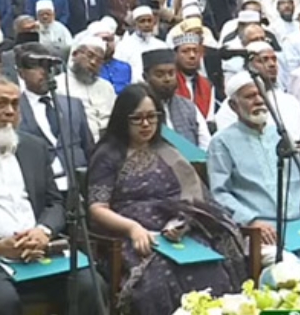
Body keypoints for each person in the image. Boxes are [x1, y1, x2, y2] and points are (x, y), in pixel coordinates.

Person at [0, 76, 104, 315]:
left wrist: (43, 231)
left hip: (40, 246)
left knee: (92, 287)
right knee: (2, 302)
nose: (9, 111)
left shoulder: (34, 147)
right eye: (0, 103)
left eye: (15, 104)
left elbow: (55, 202)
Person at [88, 83, 246, 314]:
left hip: (177, 232)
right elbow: (97, 208)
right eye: (137, 118)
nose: (146, 124)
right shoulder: (108, 154)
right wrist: (133, 229)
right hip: (134, 237)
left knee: (210, 268)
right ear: (123, 119)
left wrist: (181, 222)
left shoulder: (167, 150)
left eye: (151, 117)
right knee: (157, 281)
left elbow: (193, 195)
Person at [208, 72, 300, 275]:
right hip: (261, 234)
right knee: (288, 271)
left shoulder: (281, 135)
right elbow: (219, 194)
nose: (259, 100)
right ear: (234, 106)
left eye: (262, 94)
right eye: (250, 96)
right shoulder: (222, 142)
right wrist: (251, 221)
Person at [16, 43, 93, 191]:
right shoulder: (15, 109)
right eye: (36, 67)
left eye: (47, 66)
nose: (43, 72)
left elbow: (88, 147)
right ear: (21, 73)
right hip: (41, 187)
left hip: (77, 184)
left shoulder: (73, 104)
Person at [214, 41, 300, 140]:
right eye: (263, 60)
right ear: (248, 66)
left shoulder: (290, 101)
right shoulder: (234, 105)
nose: (272, 64)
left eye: (274, 59)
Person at [142, 48, 211, 149]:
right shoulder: (139, 108)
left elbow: (206, 144)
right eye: (160, 75)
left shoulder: (189, 107)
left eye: (171, 73)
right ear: (145, 77)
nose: (167, 79)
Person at [57, 36, 116, 142]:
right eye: (90, 56)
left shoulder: (107, 87)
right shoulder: (59, 84)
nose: (93, 62)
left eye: (99, 60)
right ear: (75, 54)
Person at [114, 6, 167, 83]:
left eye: (149, 21)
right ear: (135, 24)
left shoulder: (162, 46)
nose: (147, 24)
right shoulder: (123, 46)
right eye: (142, 21)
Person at [173, 32, 214, 120]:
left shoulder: (207, 84)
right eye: (185, 51)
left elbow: (209, 119)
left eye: (195, 51)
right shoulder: (169, 83)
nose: (192, 56)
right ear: (175, 55)